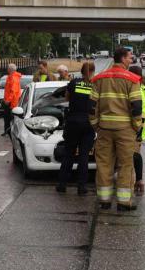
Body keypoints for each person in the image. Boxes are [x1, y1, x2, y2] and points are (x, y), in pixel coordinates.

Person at [90, 48, 143, 211]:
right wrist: (136, 126)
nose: (131, 60)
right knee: (125, 165)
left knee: (104, 164)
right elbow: (136, 107)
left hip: (104, 129)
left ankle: (104, 200)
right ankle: (123, 202)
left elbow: (92, 107)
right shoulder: (132, 79)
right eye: (129, 58)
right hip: (125, 130)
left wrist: (96, 125)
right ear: (122, 58)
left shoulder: (99, 79)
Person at [56, 61, 96, 195]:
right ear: (92, 72)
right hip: (88, 123)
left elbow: (67, 98)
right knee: (84, 156)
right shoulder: (95, 85)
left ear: (82, 71)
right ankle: (81, 187)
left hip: (73, 122)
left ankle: (62, 184)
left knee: (69, 153)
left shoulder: (73, 83)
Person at [128, 66, 145, 195]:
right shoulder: (142, 89)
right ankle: (139, 180)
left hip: (136, 127)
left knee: (132, 155)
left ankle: (135, 181)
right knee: (135, 153)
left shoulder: (135, 90)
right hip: (141, 127)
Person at [2, 64, 22, 136]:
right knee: (7, 117)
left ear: (10, 69)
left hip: (12, 102)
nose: (7, 69)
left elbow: (13, 91)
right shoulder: (10, 77)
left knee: (9, 118)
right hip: (9, 101)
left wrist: (8, 100)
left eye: (8, 68)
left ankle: (10, 132)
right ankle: (7, 131)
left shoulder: (14, 78)